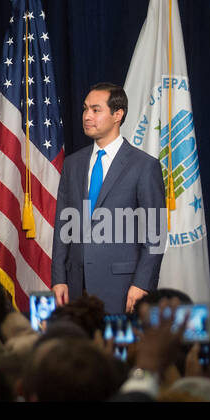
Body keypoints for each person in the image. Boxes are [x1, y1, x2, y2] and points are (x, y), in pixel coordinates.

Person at [50, 83, 166, 315]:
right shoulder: (73, 164)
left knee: (116, 351)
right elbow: (64, 227)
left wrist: (142, 283)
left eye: (95, 110)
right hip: (75, 287)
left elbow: (155, 234)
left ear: (118, 114)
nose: (87, 116)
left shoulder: (144, 166)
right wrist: (59, 278)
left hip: (123, 288)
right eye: (85, 109)